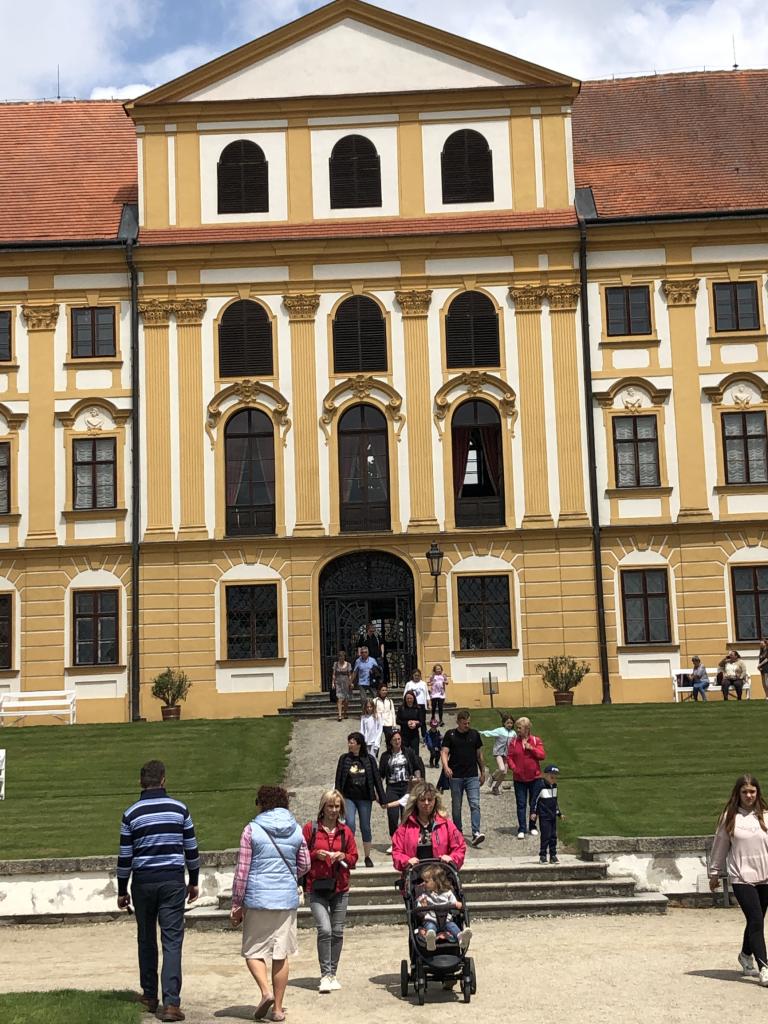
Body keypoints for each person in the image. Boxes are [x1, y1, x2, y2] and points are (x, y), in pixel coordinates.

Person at [117, 759, 200, 1023]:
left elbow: (125, 857)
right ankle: (171, 1003)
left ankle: (150, 995)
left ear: (141, 782)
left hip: (143, 882)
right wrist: (194, 880)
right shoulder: (180, 809)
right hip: (172, 881)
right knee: (172, 941)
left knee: (146, 938)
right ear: (163, 779)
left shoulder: (131, 814)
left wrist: (122, 890)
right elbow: (191, 850)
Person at [229, 785, 309, 1023]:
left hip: (258, 898)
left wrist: (236, 903)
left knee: (253, 951)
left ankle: (265, 992)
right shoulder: (296, 829)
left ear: (261, 803)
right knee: (281, 954)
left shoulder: (251, 829)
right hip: (285, 899)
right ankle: (278, 1009)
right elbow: (305, 864)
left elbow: (242, 871)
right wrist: (288, 876)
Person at [709, 773, 768, 986]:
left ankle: (745, 954)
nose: (749, 795)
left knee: (756, 920)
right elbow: (720, 846)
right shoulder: (730, 817)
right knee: (756, 920)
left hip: (765, 876)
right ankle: (764, 967)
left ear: (757, 793)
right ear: (738, 793)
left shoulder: (765, 816)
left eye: (752, 791)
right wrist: (714, 873)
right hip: (741, 876)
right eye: (745, 792)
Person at [302, 789, 359, 994]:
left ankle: (332, 973)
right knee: (324, 930)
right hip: (316, 886)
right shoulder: (310, 829)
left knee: (337, 931)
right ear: (323, 807)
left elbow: (354, 858)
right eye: (330, 806)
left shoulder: (346, 831)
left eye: (337, 806)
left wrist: (342, 856)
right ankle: (325, 974)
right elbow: (300, 855)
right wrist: (315, 855)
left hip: (340, 887)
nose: (333, 810)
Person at [334, 731, 386, 868]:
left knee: (365, 826)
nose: (349, 744)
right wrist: (337, 796)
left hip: (365, 798)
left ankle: (367, 856)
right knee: (350, 824)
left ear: (359, 744)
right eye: (349, 742)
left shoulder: (369, 759)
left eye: (352, 742)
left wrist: (383, 798)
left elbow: (377, 780)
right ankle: (350, 856)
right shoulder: (344, 759)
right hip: (348, 797)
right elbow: (338, 779)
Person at [392, 780, 466, 872]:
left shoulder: (446, 824)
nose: (426, 803)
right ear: (416, 801)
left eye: (430, 799)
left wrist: (452, 858)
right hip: (414, 874)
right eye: (422, 800)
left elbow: (460, 847)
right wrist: (406, 861)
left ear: (435, 801)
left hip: (441, 874)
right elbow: (396, 852)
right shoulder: (405, 827)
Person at [440, 709, 487, 847]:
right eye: (464, 723)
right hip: (456, 776)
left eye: (468, 723)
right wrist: (446, 767)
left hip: (472, 775)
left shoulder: (474, 734)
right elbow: (444, 752)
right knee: (456, 805)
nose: (467, 725)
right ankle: (457, 831)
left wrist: (482, 772)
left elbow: (479, 755)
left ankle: (476, 832)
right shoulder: (450, 735)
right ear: (458, 722)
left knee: (475, 804)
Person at [379, 729, 423, 851]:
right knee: (392, 815)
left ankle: (408, 840)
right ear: (390, 741)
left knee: (407, 814)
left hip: (406, 786)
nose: (397, 741)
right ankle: (395, 841)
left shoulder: (408, 752)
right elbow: (381, 775)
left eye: (399, 739)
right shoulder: (385, 756)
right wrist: (379, 791)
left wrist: (417, 779)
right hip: (392, 787)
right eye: (394, 740)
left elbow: (416, 767)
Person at [416, 862, 472, 952]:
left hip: (446, 920)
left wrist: (458, 904)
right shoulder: (424, 896)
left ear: (436, 882)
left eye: (426, 881)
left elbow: (454, 903)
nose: (423, 884)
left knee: (453, 926)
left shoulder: (448, 893)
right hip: (431, 920)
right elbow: (420, 913)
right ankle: (431, 940)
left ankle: (461, 938)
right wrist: (423, 907)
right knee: (430, 927)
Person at [507, 716, 546, 840]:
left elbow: (542, 755)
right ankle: (522, 828)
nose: (518, 730)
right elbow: (509, 757)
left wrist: (532, 749)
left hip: (535, 778)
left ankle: (533, 826)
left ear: (527, 729)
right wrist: (514, 768)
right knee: (521, 804)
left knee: (534, 803)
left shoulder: (535, 740)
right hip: (519, 779)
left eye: (520, 728)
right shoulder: (513, 742)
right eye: (517, 728)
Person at [531, 765, 563, 864]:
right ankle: (543, 855)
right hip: (544, 815)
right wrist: (533, 812)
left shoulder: (555, 786)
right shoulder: (541, 786)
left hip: (552, 815)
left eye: (555, 777)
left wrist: (559, 813)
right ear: (545, 775)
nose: (553, 779)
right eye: (551, 776)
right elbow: (535, 800)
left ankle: (553, 855)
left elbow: (555, 802)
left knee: (553, 836)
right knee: (545, 836)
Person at [479, 713, 516, 795]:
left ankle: (495, 788)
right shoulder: (500, 730)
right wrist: (481, 732)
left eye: (511, 723)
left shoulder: (513, 733)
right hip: (498, 753)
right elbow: (490, 733)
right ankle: (492, 777)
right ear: (504, 723)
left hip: (507, 755)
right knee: (502, 769)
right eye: (508, 723)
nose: (510, 725)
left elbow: (516, 743)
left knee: (504, 773)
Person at [403, 668, 430, 736]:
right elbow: (405, 695)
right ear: (412, 675)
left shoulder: (423, 683)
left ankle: (424, 736)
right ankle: (413, 735)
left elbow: (427, 694)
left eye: (418, 675)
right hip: (412, 705)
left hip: (421, 705)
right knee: (413, 720)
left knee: (422, 721)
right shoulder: (409, 684)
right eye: (415, 675)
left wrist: (428, 703)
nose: (417, 677)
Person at [396, 690, 423, 755]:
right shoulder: (401, 708)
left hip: (414, 735)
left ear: (414, 699)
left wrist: (415, 724)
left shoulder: (418, 708)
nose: (409, 700)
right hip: (404, 735)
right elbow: (398, 721)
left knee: (415, 754)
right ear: (405, 699)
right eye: (407, 698)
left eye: (411, 698)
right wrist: (407, 723)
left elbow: (421, 722)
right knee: (404, 753)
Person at [331, 649, 353, 722]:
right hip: (338, 683)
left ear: (344, 657)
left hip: (346, 683)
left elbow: (350, 675)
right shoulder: (335, 664)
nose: (341, 658)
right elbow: (334, 674)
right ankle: (340, 715)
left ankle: (345, 712)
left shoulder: (348, 664)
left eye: (342, 656)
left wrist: (351, 682)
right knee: (339, 699)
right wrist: (333, 683)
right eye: (340, 656)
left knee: (346, 700)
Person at [374, 682, 397, 748]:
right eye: (383, 690)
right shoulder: (375, 701)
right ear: (379, 691)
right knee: (377, 741)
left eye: (385, 690)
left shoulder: (389, 701)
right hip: (378, 723)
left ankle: (389, 752)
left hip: (388, 723)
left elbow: (392, 713)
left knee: (389, 741)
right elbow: (373, 712)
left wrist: (394, 724)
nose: (384, 692)